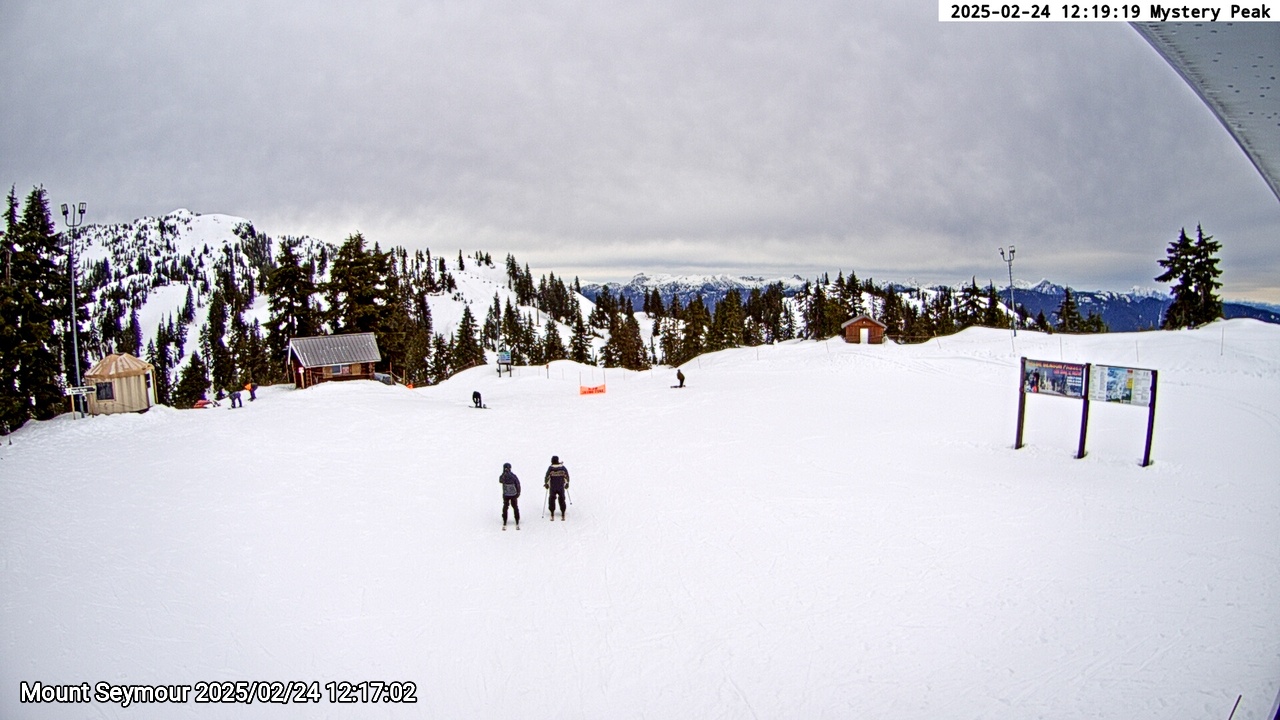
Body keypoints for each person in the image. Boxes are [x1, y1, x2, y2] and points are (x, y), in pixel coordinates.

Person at [544, 455, 570, 520]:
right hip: (561, 486)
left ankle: (552, 511)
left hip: (553, 487)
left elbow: (547, 477)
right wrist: (567, 483)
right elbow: (566, 476)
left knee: (552, 499)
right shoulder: (562, 468)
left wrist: (546, 484)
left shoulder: (550, 468)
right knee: (562, 499)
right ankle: (563, 511)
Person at [500, 462, 521, 529]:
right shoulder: (513, 476)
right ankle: (517, 520)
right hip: (514, 494)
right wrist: (518, 493)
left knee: (505, 507)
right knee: (515, 507)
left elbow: (500, 480)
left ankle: (505, 520)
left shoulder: (503, 476)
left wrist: (504, 473)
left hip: (506, 494)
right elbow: (517, 484)